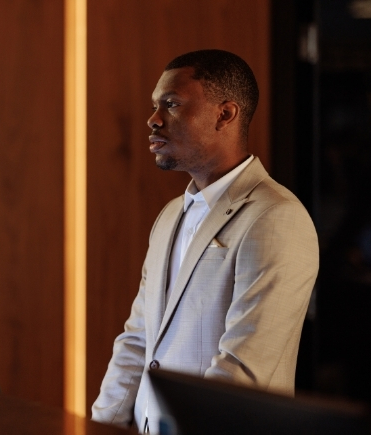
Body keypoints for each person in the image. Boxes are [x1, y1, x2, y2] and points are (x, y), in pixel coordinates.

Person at [91, 49, 318, 433]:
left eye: (171, 104)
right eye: (155, 105)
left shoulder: (276, 217)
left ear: (224, 114)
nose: (153, 119)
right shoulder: (169, 216)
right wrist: (98, 427)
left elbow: (242, 369)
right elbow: (137, 341)